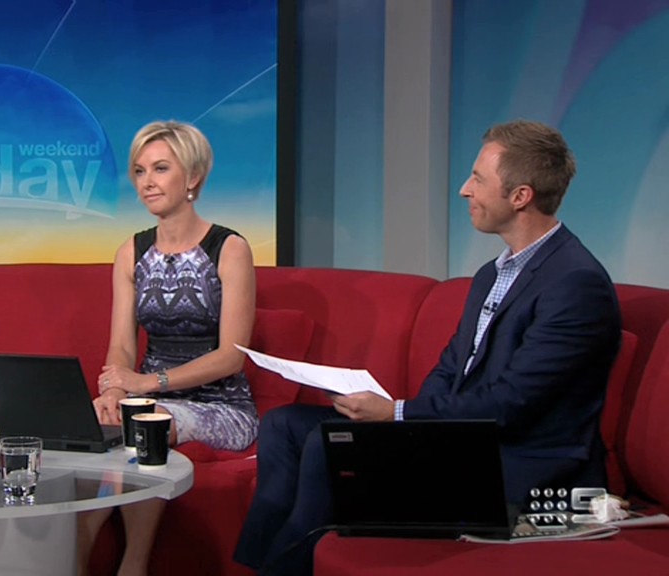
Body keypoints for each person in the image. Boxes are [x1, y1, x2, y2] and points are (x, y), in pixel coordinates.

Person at [233, 120, 622, 575]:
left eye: (477, 179)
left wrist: (397, 415)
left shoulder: (575, 284)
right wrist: (405, 424)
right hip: (463, 445)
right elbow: (452, 368)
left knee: (331, 443)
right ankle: (257, 567)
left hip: (520, 468)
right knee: (284, 425)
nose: (464, 190)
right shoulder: (493, 275)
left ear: (520, 196)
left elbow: (513, 403)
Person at [77, 120, 259, 575]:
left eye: (160, 169)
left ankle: (131, 564)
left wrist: (147, 383)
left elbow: (232, 356)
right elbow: (121, 346)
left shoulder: (229, 248)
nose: (147, 182)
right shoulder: (132, 252)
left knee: (144, 425)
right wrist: (114, 389)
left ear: (193, 176)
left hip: (220, 405)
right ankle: (74, 555)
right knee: (94, 423)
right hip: (144, 397)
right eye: (140, 171)